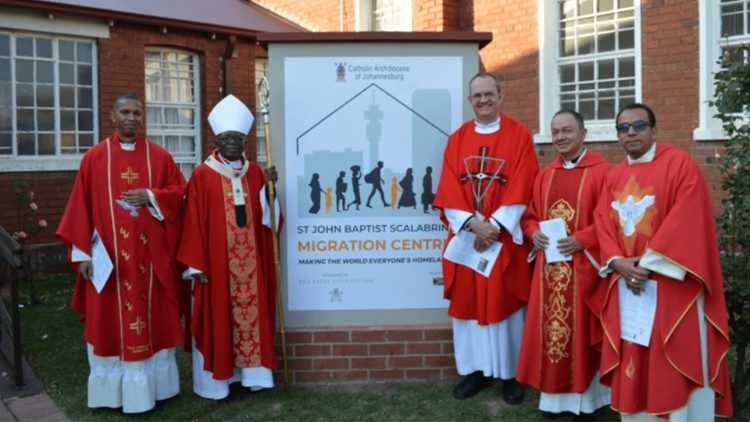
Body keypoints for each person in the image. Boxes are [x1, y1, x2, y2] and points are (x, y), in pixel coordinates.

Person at [592, 103, 732, 419]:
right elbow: (601, 220)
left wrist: (647, 263)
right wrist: (617, 262)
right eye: (623, 128)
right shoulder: (613, 176)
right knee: (635, 359)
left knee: (672, 360)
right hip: (629, 285)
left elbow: (688, 220)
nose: (630, 132)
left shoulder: (680, 164)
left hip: (671, 286)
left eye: (639, 125)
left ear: (654, 129)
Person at [56, 93, 186, 413]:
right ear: (113, 116)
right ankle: (110, 393)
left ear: (143, 118)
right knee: (108, 322)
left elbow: (180, 193)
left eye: (138, 113)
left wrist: (152, 195)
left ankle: (155, 388)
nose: (132, 118)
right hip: (110, 263)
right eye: (125, 112)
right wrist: (82, 254)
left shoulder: (160, 157)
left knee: (152, 319)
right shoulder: (95, 158)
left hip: (150, 261)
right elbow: (79, 209)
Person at [434, 72, 538, 403]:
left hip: (503, 239)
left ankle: (511, 377)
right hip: (468, 239)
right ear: (470, 101)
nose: (483, 100)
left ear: (500, 95)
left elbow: (525, 181)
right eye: (477, 95)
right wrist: (472, 226)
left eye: (489, 94)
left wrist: (495, 226)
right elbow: (449, 187)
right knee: (469, 307)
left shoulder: (519, 135)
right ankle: (475, 372)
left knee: (506, 306)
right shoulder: (458, 139)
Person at [177, 94, 280, 400]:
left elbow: (268, 219)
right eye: (226, 138)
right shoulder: (202, 175)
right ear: (217, 140)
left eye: (237, 138)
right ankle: (216, 384)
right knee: (217, 319)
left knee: (252, 316)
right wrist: (197, 266)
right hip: (217, 266)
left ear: (245, 141)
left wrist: (271, 191)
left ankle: (253, 378)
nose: (232, 143)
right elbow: (192, 222)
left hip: (251, 267)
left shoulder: (257, 173)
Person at [517, 110, 611, 418]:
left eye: (567, 130)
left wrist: (583, 238)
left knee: (583, 336)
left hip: (585, 271)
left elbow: (611, 219)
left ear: (584, 134)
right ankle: (554, 402)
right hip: (549, 273)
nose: (560, 137)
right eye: (555, 131)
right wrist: (534, 233)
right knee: (551, 336)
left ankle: (589, 402)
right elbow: (529, 215)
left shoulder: (602, 172)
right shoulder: (545, 175)